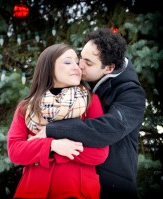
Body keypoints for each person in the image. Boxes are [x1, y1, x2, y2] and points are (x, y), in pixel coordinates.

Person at [29, 28, 146, 198]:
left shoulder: (131, 94)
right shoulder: (77, 83)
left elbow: (109, 128)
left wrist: (52, 130)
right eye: (81, 57)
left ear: (109, 68)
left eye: (88, 63)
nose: (80, 64)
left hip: (113, 185)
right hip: (78, 185)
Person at [7, 43, 109, 199]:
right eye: (68, 62)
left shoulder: (90, 101)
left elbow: (99, 153)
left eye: (77, 62)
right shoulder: (27, 107)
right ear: (49, 68)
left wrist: (52, 149)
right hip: (33, 191)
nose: (77, 67)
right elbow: (15, 151)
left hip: (76, 191)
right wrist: (53, 146)